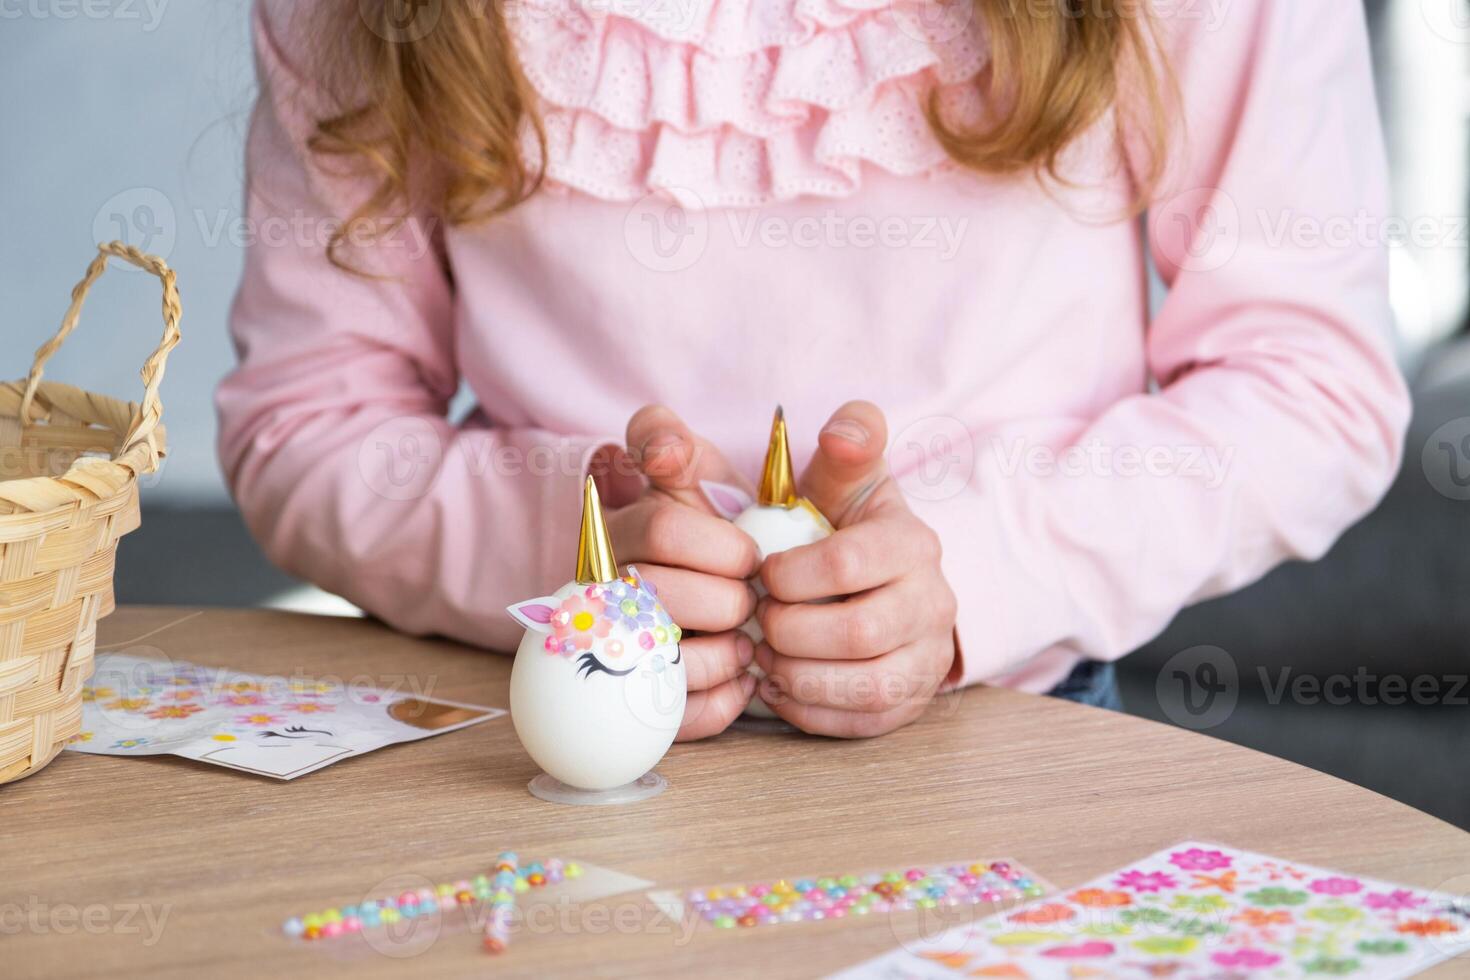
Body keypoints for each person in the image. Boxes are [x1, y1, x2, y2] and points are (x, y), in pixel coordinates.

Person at [218, 0, 1409, 740]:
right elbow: (305, 415)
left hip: (1005, 735)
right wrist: (574, 552)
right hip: (538, 729)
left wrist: (977, 567)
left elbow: (1311, 381)